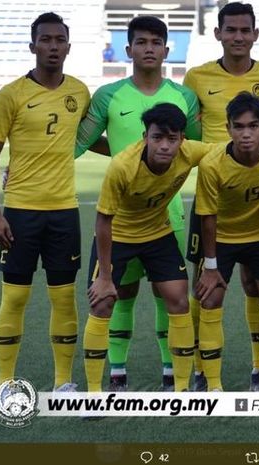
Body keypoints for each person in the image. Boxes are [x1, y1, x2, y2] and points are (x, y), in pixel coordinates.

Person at [75, 16, 201, 392]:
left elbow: (196, 147)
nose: (149, 48)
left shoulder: (184, 97)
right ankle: (115, 373)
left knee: (171, 296)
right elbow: (77, 143)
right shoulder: (108, 95)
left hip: (169, 217)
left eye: (156, 42)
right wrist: (120, 153)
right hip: (121, 220)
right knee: (119, 294)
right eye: (141, 42)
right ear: (128, 49)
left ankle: (171, 373)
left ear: (167, 49)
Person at [0, 12, 90, 409]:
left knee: (64, 299)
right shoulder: (11, 94)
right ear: (33, 46)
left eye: (60, 39)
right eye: (45, 40)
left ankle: (63, 384)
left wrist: (138, 150)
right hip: (20, 214)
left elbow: (87, 138)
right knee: (14, 299)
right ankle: (4, 385)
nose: (53, 46)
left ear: (68, 46)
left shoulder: (80, 92)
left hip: (64, 213)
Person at [183, 1, 259, 392]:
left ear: (255, 34)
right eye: (231, 30)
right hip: (213, 193)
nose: (238, 37)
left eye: (246, 30)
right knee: (206, 287)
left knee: (257, 288)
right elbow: (189, 130)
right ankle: (200, 369)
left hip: (257, 195)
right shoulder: (196, 77)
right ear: (219, 34)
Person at [83, 103, 211, 393]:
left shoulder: (189, 152)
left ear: (182, 139)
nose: (165, 146)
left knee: (179, 299)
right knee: (101, 302)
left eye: (172, 138)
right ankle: (93, 392)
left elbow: (227, 150)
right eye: (157, 138)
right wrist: (104, 277)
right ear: (145, 136)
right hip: (118, 236)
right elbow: (103, 221)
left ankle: (180, 390)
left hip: (158, 234)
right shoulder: (122, 166)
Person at [194, 92, 259, 392]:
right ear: (227, 129)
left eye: (254, 126)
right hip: (222, 238)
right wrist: (211, 267)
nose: (246, 134)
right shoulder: (213, 164)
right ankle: (211, 384)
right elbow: (208, 218)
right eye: (238, 127)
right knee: (210, 298)